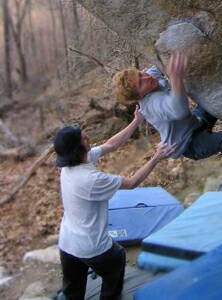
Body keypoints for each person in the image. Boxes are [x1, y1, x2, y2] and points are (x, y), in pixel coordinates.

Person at [53, 108, 176, 300]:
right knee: (117, 259)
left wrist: (136, 121)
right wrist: (156, 158)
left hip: (67, 243)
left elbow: (111, 144)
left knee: (72, 292)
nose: (86, 135)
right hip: (92, 247)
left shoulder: (70, 165)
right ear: (81, 146)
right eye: (82, 136)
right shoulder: (91, 179)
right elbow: (132, 182)